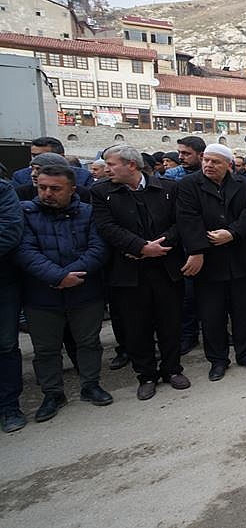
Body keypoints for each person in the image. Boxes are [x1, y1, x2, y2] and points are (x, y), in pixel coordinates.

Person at [91, 145, 190, 401]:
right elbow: (106, 227)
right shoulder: (101, 192)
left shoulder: (168, 188)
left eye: (111, 164)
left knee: (170, 322)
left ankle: (172, 369)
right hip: (129, 271)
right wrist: (141, 247)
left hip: (166, 267)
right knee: (136, 327)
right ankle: (146, 375)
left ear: (131, 165)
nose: (106, 169)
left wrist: (160, 246)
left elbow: (180, 222)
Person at [14, 165, 112, 422]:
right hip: (41, 295)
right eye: (42, 188)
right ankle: (53, 393)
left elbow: (98, 249)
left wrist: (69, 276)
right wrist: (57, 277)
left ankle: (91, 384)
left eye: (55, 189)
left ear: (72, 189)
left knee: (88, 342)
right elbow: (25, 251)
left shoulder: (89, 213)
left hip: (84, 291)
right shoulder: (24, 213)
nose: (47, 193)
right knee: (46, 349)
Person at [176, 143, 246, 381]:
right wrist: (198, 249)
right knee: (211, 316)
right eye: (206, 160)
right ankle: (218, 360)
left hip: (240, 259)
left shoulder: (242, 184)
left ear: (228, 165)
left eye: (215, 162)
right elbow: (188, 220)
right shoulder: (188, 185)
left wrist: (232, 233)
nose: (209, 165)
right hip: (209, 261)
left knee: (244, 313)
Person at [0, 179, 26, 432]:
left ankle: (9, 406)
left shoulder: (2, 189)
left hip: (3, 281)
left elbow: (10, 230)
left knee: (5, 345)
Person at [11, 136, 94, 188]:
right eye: (34, 155)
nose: (36, 160)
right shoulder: (20, 177)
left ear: (61, 156)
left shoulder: (83, 177)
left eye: (43, 156)